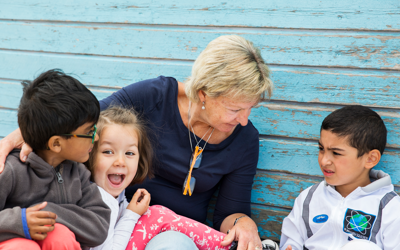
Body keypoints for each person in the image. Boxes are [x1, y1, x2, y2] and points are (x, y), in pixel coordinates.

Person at [0, 35, 274, 250]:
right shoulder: (153, 97)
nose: (244, 120)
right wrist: (23, 133)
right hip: (116, 220)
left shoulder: (245, 139)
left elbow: (228, 213)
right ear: (203, 94)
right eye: (235, 109)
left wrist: (243, 224)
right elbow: (79, 123)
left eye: (251, 108)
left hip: (174, 234)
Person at [86, 105, 238, 250]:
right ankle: (230, 246)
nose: (120, 162)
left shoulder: (114, 197)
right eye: (108, 152)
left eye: (129, 153)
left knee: (156, 216)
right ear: (89, 154)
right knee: (156, 215)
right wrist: (131, 214)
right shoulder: (99, 202)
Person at [0, 69, 111, 249]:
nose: (96, 138)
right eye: (89, 132)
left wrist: (48, 213)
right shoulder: (10, 170)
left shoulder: (79, 173)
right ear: (57, 144)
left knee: (59, 235)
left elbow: (99, 227)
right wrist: (19, 221)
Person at [280, 105, 400, 250]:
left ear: (370, 159)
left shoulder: (390, 209)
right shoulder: (308, 198)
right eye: (321, 149)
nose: (324, 161)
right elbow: (290, 242)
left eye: (336, 153)